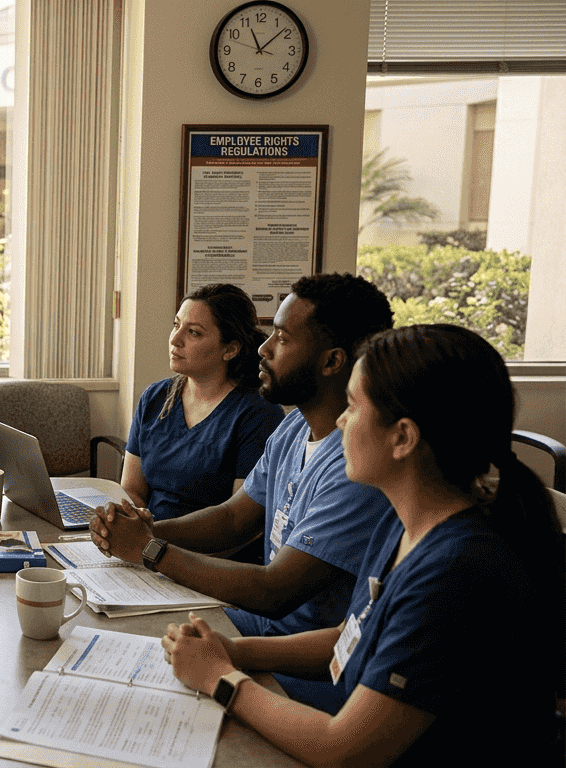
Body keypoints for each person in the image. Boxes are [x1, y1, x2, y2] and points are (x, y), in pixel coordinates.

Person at [161, 324, 563, 765]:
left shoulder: (455, 570)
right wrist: (235, 651)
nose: (340, 421)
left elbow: (346, 751)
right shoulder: (402, 520)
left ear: (402, 437)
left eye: (352, 407)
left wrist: (221, 679)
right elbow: (350, 637)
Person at [91, 273, 395, 713]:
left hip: (301, 654)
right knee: (122, 641)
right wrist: (145, 530)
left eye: (282, 339)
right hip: (261, 626)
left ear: (331, 361)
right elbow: (233, 517)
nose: (263, 349)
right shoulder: (294, 428)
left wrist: (151, 549)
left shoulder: (357, 466)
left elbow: (276, 590)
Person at [122, 283, 284, 523]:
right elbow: (131, 490)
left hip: (207, 544)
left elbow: (238, 521)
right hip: (147, 537)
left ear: (230, 349)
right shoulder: (154, 398)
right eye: (176, 325)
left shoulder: (258, 413)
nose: (175, 339)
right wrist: (132, 525)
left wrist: (154, 537)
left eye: (193, 332)